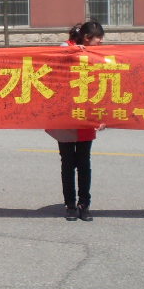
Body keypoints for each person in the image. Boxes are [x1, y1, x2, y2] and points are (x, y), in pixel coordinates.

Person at [49, 21, 105, 221]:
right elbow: (56, 63)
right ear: (87, 38)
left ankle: (84, 204)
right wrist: (75, 52)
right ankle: (70, 205)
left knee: (83, 162)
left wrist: (102, 116)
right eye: (98, 39)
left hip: (86, 113)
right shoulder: (66, 47)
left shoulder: (97, 55)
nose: (101, 43)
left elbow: (104, 82)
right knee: (67, 163)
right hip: (64, 114)